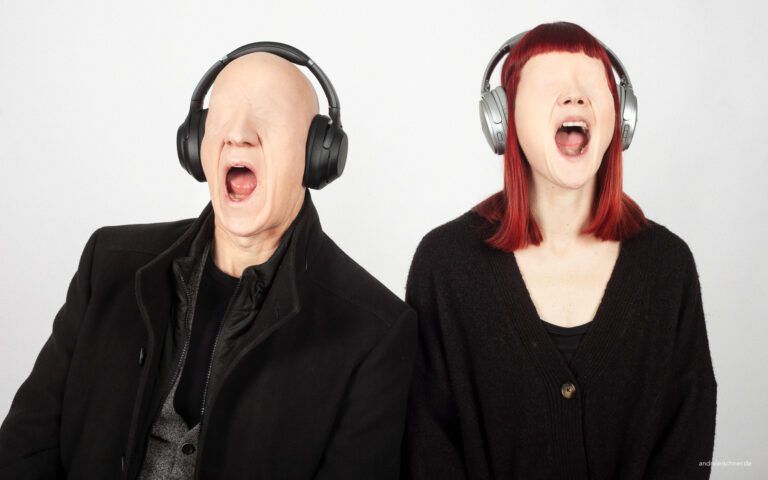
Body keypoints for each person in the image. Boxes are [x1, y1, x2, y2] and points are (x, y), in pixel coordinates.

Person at [0, 43, 417, 479]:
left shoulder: (375, 332)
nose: (238, 134)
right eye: (222, 116)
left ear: (317, 155)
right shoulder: (107, 264)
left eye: (266, 117)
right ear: (196, 142)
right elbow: (25, 449)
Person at [402, 22, 717, 479]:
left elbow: (687, 445)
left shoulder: (668, 267)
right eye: (550, 84)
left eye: (591, 83)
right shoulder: (445, 265)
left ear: (621, 116)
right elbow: (427, 447)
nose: (575, 97)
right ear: (504, 119)